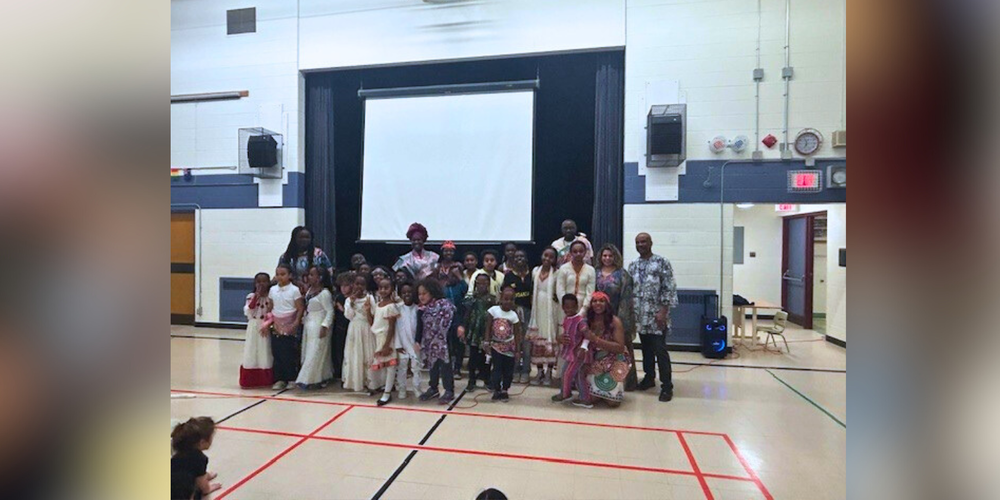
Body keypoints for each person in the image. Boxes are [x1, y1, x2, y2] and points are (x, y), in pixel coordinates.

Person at [627, 232, 679, 402]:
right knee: (646, 349)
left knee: (660, 350)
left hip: (657, 315)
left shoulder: (662, 262)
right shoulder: (633, 265)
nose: (640, 245)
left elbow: (669, 288)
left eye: (643, 242)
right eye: (637, 242)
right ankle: (649, 378)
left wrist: (663, 311)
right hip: (640, 315)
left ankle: (667, 386)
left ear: (651, 243)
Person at [595, 244, 639, 391]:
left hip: (617, 318)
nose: (607, 258)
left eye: (610, 256)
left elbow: (626, 299)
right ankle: (600, 381)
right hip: (598, 318)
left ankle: (627, 382)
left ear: (615, 257)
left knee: (622, 350)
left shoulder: (623, 275)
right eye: (604, 256)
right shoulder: (595, 272)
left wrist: (620, 322)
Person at [583, 291, 630, 407]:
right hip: (595, 359)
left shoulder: (615, 321)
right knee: (590, 399)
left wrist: (596, 340)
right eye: (594, 301)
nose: (598, 304)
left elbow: (620, 348)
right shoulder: (587, 321)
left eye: (601, 301)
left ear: (607, 305)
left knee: (613, 402)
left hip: (615, 358)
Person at [415, 278, 457, 404]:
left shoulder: (445, 305)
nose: (421, 296)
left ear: (432, 292)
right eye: (419, 294)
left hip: (444, 342)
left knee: (445, 366)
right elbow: (420, 327)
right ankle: (433, 388)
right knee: (432, 366)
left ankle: (449, 390)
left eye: (424, 293)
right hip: (429, 342)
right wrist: (417, 341)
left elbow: (453, 322)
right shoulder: (422, 309)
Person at [295, 266, 335, 389]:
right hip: (309, 323)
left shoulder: (324, 293)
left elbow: (330, 311)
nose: (309, 277)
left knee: (315, 351)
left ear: (320, 278)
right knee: (309, 350)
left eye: (312, 275)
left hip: (319, 323)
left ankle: (308, 379)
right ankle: (322, 376)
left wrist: (325, 326)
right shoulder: (310, 290)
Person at [551, 294, 591, 407]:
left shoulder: (580, 321)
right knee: (578, 375)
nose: (569, 310)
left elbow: (587, 335)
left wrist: (583, 347)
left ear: (577, 307)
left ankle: (565, 393)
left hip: (578, 353)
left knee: (566, 373)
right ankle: (584, 397)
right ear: (563, 307)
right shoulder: (567, 319)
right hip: (570, 352)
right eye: (566, 307)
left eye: (572, 307)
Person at [527, 246, 560, 386]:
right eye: (545, 255)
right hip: (537, 310)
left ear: (555, 259)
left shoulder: (557, 273)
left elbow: (558, 293)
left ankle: (549, 372)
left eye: (551, 257)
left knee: (550, 340)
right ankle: (539, 371)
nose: (547, 258)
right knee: (537, 341)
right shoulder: (535, 271)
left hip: (551, 311)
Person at [270, 264, 304, 390]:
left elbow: (300, 308)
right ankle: (279, 379)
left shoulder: (294, 290)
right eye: (277, 274)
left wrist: (296, 322)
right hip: (276, 324)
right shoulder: (273, 290)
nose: (280, 277)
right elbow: (271, 307)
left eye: (283, 274)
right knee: (277, 352)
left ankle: (291, 378)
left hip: (290, 324)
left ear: (290, 275)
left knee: (289, 353)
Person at [484, 287, 522, 402]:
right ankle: (497, 389)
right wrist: (486, 342)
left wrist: (517, 350)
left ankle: (505, 389)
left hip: (509, 347)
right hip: (496, 346)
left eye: (511, 299)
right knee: (497, 369)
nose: (508, 302)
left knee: (508, 370)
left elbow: (517, 333)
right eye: (506, 299)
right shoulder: (493, 311)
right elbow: (488, 327)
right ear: (500, 298)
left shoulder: (514, 315)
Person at [502, 249, 534, 383]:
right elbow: (504, 294)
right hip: (513, 312)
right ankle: (514, 370)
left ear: (526, 258)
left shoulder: (532, 274)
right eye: (516, 256)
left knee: (527, 343)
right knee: (514, 342)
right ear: (513, 259)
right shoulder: (509, 276)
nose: (519, 258)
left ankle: (525, 371)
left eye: (522, 256)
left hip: (529, 312)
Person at [459, 273, 495, 391]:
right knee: (473, 357)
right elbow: (466, 315)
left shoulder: (492, 299)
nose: (481, 286)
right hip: (473, 331)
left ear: (488, 284)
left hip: (486, 332)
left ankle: (487, 379)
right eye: (479, 283)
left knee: (486, 357)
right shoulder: (470, 299)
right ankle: (471, 380)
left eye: (484, 283)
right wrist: (464, 327)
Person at [170, 417, 220, 498]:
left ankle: (205, 475)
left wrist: (205, 475)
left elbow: (188, 469)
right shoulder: (200, 459)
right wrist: (208, 489)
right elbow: (203, 485)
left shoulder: (180, 450)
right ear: (202, 442)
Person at [240, 272, 274, 388]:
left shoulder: (271, 297)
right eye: (259, 282)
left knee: (265, 350)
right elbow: (249, 309)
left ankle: (265, 379)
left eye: (264, 281)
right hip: (254, 325)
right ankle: (250, 379)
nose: (261, 284)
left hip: (265, 324)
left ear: (269, 283)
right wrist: (256, 296)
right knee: (251, 349)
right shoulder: (251, 296)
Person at [343, 273, 376, 393]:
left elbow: (374, 313)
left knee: (367, 353)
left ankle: (369, 381)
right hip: (354, 328)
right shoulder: (348, 300)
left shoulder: (369, 298)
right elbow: (348, 316)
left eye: (362, 284)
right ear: (353, 285)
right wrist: (352, 303)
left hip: (366, 328)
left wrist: (368, 310)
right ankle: (356, 381)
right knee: (355, 353)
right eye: (357, 284)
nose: (359, 287)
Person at [371, 278, 400, 406]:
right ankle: (386, 386)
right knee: (382, 365)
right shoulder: (378, 305)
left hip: (387, 338)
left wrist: (387, 345)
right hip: (378, 338)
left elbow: (392, 327)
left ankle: (387, 393)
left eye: (386, 288)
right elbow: (374, 322)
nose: (383, 290)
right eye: (381, 288)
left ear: (392, 289)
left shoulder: (391, 306)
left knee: (390, 365)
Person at [393, 282, 421, 399]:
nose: (407, 295)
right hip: (402, 342)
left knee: (416, 367)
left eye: (409, 292)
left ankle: (417, 389)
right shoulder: (398, 309)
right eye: (404, 293)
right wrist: (398, 344)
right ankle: (402, 389)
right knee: (402, 367)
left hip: (415, 343)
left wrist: (419, 342)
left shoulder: (418, 309)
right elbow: (395, 328)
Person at [442, 260, 469, 380]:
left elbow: (467, 292)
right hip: (447, 319)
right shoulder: (445, 287)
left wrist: (459, 276)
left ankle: (457, 368)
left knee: (459, 344)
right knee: (448, 344)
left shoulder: (461, 285)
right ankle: (448, 367)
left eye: (455, 274)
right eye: (451, 273)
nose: (453, 276)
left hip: (460, 317)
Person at [555, 241, 597, 317]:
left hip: (583, 308)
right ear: (570, 253)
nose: (578, 254)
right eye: (575, 251)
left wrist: (584, 309)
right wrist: (566, 306)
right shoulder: (563, 268)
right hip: (564, 308)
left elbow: (590, 292)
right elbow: (560, 289)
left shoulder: (591, 270)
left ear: (585, 252)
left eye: (581, 251)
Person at [330, 271, 354, 381]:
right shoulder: (338, 297)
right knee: (339, 350)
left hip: (350, 327)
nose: (343, 288)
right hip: (339, 328)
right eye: (341, 286)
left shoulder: (353, 298)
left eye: (346, 286)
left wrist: (342, 309)